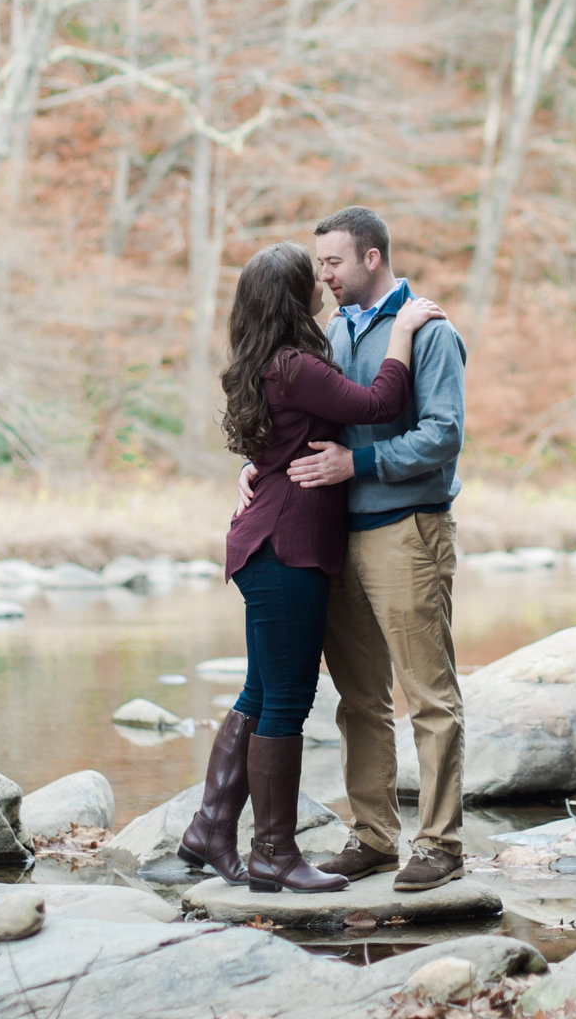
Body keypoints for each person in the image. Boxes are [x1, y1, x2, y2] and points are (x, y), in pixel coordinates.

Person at [180, 241, 444, 895]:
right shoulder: (296, 365)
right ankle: (273, 853)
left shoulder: (261, 362)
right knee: (287, 701)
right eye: (313, 278)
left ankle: (211, 828)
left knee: (260, 692)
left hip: (263, 541)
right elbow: (381, 401)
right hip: (285, 548)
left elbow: (276, 445)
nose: (324, 284)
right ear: (296, 297)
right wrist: (403, 330)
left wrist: (251, 470)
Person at [266, 205, 469, 891]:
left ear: (372, 258)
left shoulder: (430, 330)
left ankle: (440, 844)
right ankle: (376, 838)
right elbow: (307, 419)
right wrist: (258, 467)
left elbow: (443, 435)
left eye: (333, 262)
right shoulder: (330, 332)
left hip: (407, 530)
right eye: (320, 262)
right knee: (359, 700)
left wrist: (359, 466)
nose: (323, 274)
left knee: (428, 695)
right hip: (337, 538)